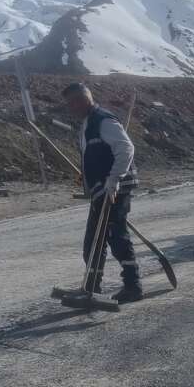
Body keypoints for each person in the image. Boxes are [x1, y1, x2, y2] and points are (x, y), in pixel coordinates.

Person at [62, 82, 142, 303]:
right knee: (93, 241)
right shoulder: (88, 124)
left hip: (116, 189)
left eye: (73, 103)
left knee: (117, 237)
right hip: (101, 190)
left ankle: (133, 286)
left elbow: (126, 148)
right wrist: (87, 177)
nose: (71, 108)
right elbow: (97, 156)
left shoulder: (103, 120)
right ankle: (91, 287)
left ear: (84, 100)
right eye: (68, 105)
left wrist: (114, 179)